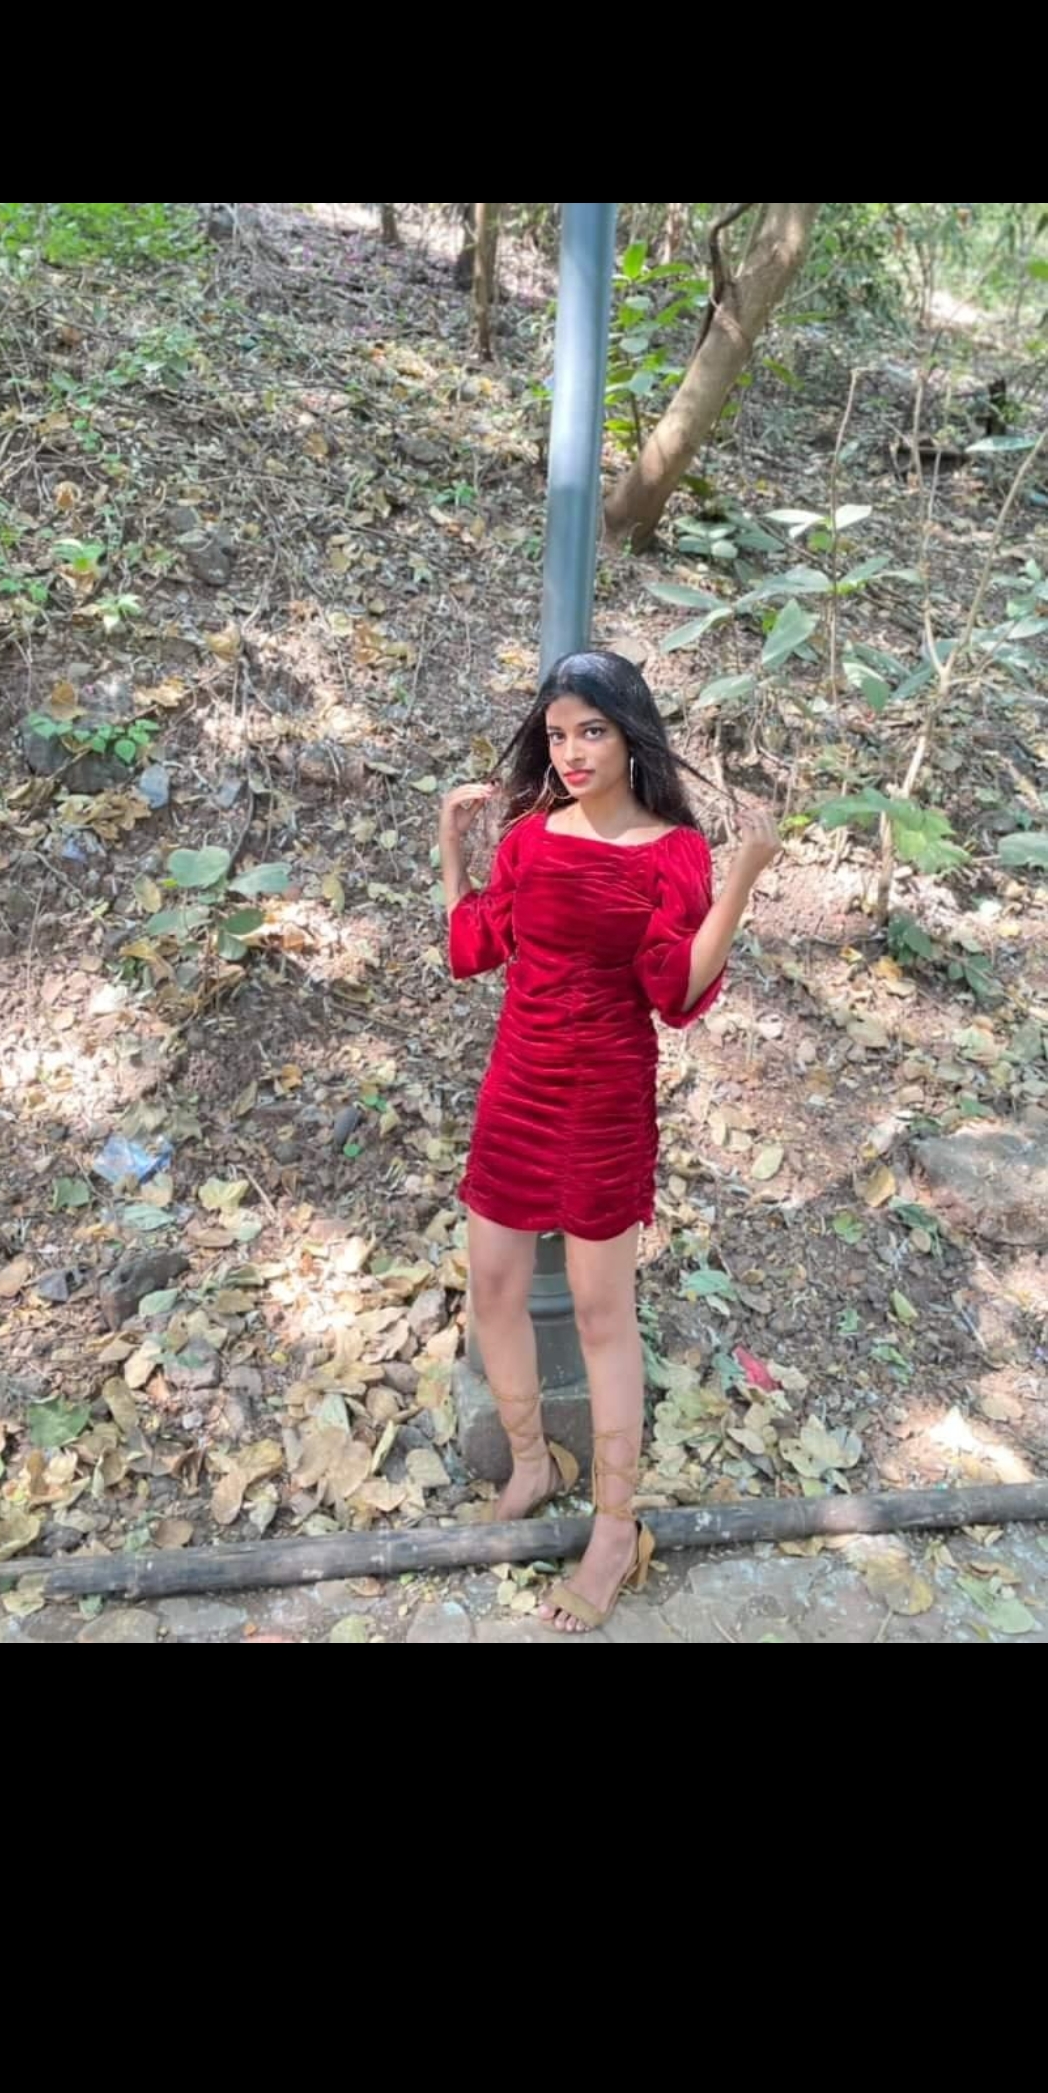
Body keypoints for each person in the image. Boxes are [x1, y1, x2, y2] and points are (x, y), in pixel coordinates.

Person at [439, 650, 780, 1633]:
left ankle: (615, 1528)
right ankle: (532, 1464)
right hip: (517, 1089)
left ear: (632, 734)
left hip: (605, 1100)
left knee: (600, 1314)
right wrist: (450, 848)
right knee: (492, 1288)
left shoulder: (675, 851)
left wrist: (742, 879)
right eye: (556, 735)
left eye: (591, 730)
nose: (572, 752)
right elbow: (472, 948)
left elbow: (676, 989)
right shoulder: (530, 837)